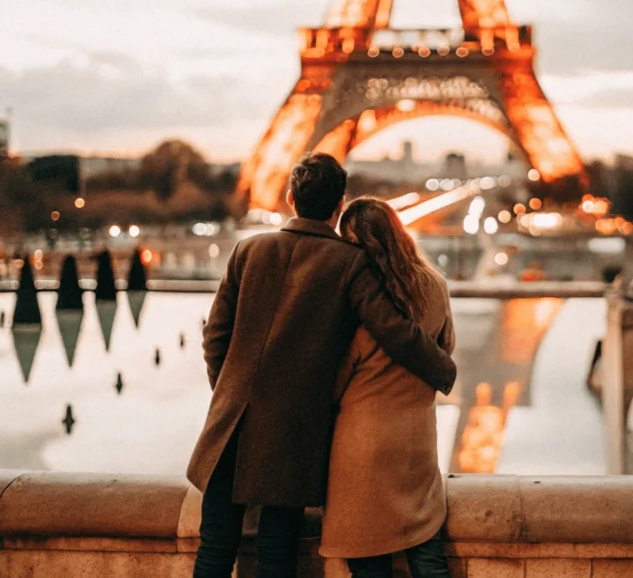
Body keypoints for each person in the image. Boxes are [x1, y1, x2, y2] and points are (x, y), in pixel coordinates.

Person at [187, 154, 457, 578]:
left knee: (216, 548)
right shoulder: (348, 263)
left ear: (292, 198)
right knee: (276, 553)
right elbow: (391, 329)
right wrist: (442, 370)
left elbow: (214, 338)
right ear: (339, 203)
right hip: (291, 435)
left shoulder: (248, 249)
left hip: (230, 427)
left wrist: (230, 393)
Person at [319, 197, 456, 578]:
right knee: (428, 557)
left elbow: (337, 377)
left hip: (362, 447)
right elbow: (446, 349)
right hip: (416, 444)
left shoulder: (360, 299)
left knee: (370, 567)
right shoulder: (435, 286)